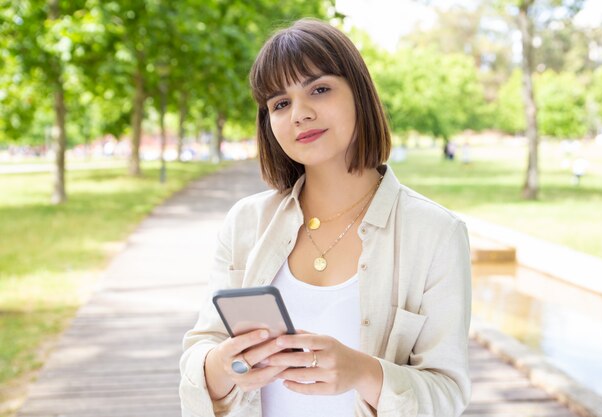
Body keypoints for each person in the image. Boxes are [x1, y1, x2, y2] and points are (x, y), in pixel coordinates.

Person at [179, 18, 471, 417]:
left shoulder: (435, 232)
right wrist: (227, 365)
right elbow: (201, 353)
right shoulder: (246, 222)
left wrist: (362, 373)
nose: (300, 113)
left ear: (359, 94)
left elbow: (448, 392)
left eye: (319, 89)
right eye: (280, 103)